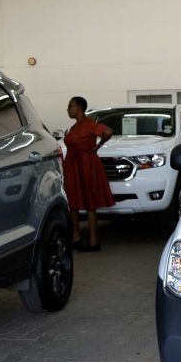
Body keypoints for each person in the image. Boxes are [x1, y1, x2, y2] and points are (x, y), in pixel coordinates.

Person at [63, 96, 114, 252]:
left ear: (79, 107)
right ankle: (76, 237)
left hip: (86, 163)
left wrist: (98, 146)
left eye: (70, 106)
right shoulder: (75, 126)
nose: (68, 109)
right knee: (73, 199)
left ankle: (93, 241)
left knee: (89, 201)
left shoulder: (88, 123)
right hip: (73, 164)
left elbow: (108, 131)